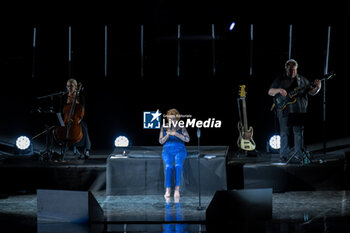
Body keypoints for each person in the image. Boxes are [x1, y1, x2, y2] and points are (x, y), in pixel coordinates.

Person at [268, 59, 321, 163]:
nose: (291, 72)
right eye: (289, 70)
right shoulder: (280, 79)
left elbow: (311, 92)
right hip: (284, 110)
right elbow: (270, 91)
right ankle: (283, 156)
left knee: (298, 134)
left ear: (296, 69)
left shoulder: (303, 80)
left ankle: (299, 155)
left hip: (298, 111)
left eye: (293, 70)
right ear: (285, 68)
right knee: (284, 133)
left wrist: (318, 88)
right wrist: (279, 90)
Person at [159, 108, 190, 199]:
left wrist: (175, 133)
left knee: (178, 166)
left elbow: (187, 139)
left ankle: (177, 189)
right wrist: (168, 134)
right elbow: (161, 141)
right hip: (167, 150)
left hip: (180, 149)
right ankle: (168, 189)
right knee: (168, 166)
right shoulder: (164, 126)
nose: (172, 120)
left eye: (174, 118)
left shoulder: (181, 126)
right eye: (170, 118)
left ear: (177, 119)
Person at [61, 78, 91, 159]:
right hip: (66, 119)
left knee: (84, 127)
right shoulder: (64, 97)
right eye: (68, 86)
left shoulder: (81, 97)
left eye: (71, 86)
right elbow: (62, 110)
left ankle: (86, 149)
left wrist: (78, 120)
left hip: (77, 119)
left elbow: (83, 111)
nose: (69, 88)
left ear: (76, 87)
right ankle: (64, 147)